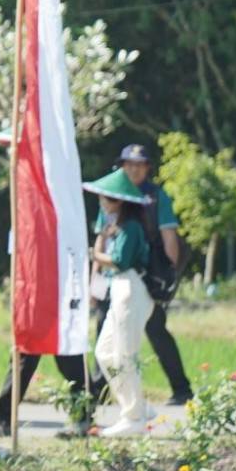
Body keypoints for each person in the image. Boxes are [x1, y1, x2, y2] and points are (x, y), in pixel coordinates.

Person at [100, 143, 192, 404]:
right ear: (121, 166)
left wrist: (169, 275)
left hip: (144, 278)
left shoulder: (155, 197)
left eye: (139, 165)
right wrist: (95, 277)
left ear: (147, 168)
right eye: (129, 164)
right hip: (112, 275)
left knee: (155, 331)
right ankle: (101, 391)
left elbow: (169, 236)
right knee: (105, 335)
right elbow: (102, 237)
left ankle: (181, 388)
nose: (134, 169)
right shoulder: (111, 193)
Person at [87, 168, 155, 436]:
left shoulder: (132, 227)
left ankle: (134, 418)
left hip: (132, 288)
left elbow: (120, 261)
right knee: (104, 352)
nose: (104, 203)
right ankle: (137, 404)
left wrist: (93, 253)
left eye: (109, 199)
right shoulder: (117, 227)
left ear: (122, 203)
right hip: (119, 288)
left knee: (125, 354)